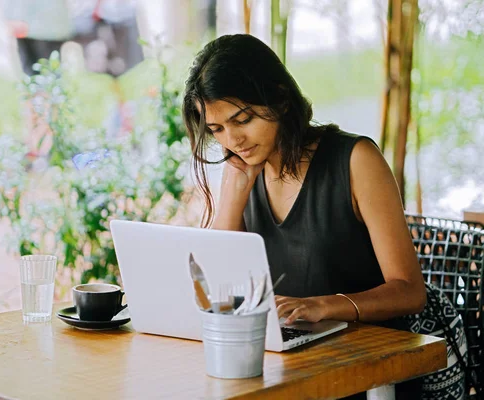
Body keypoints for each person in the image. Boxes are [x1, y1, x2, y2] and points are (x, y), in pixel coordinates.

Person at [182, 34, 427, 399]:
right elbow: (219, 296)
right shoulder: (244, 172)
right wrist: (232, 199)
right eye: (217, 129)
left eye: (243, 119)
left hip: (367, 373)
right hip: (286, 368)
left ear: (280, 99)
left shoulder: (356, 160)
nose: (233, 139)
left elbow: (410, 291)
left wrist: (321, 306)